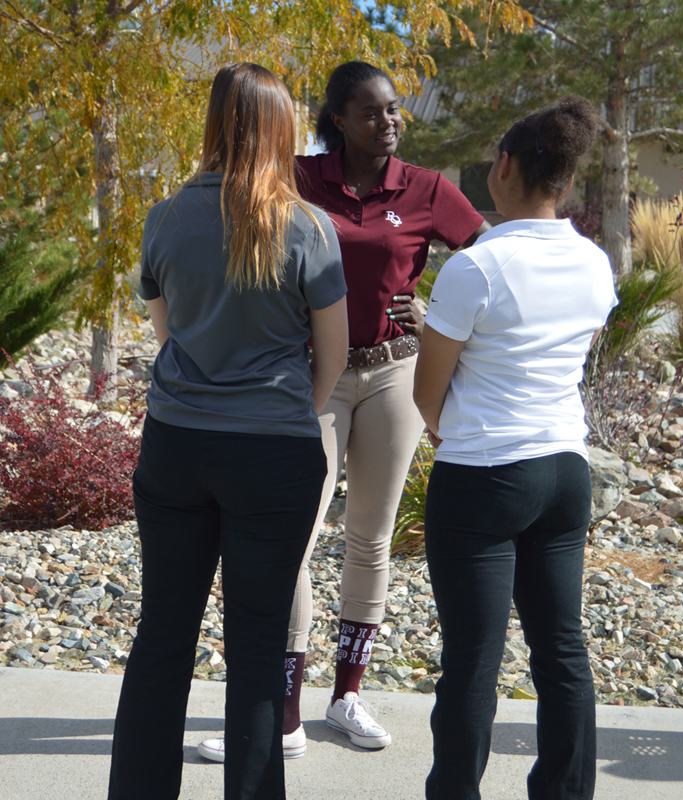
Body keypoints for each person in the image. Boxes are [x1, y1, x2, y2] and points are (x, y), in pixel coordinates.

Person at [198, 60, 489, 763]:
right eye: (370, 112)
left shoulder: (425, 189)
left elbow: (490, 259)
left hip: (395, 375)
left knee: (370, 537)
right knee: (295, 536)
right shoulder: (297, 180)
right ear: (336, 121)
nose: (388, 122)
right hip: (312, 379)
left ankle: (347, 695)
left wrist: (438, 310)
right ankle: (286, 711)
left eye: (393, 111)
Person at [107, 63, 348, 800]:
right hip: (272, 453)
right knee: (255, 646)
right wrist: (286, 412)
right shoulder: (308, 227)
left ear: (214, 123)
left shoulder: (164, 217)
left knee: (162, 637)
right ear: (281, 129)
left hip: (178, 446)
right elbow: (331, 355)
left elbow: (167, 331)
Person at [413, 95, 617, 800]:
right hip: (565, 470)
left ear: (503, 168)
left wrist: (452, 427)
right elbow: (574, 356)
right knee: (562, 651)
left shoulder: (477, 268)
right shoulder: (597, 264)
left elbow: (425, 394)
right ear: (564, 180)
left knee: (472, 657)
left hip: (485, 475)